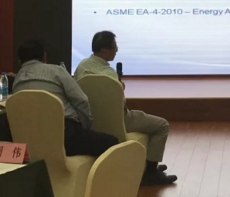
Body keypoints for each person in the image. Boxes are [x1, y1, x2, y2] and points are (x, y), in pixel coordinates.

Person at [74, 31, 176, 185]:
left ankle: (146, 165)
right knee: (162, 125)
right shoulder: (108, 74)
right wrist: (120, 88)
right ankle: (150, 172)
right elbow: (119, 104)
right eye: (114, 47)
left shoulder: (81, 66)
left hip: (89, 121)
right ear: (104, 51)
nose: (117, 50)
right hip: (119, 120)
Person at [14, 40, 118, 157]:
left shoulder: (17, 80)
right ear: (44, 56)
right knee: (112, 143)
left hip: (30, 138)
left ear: (19, 61)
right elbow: (81, 100)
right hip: (64, 134)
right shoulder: (57, 71)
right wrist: (84, 127)